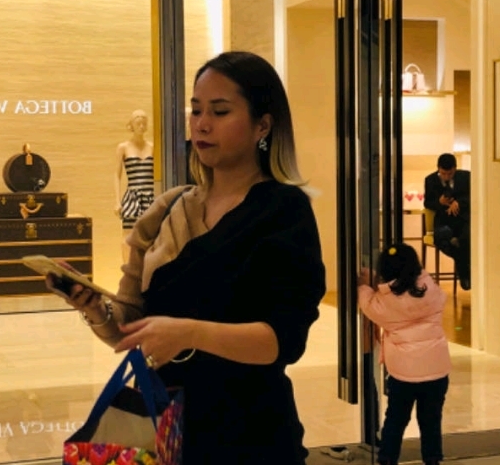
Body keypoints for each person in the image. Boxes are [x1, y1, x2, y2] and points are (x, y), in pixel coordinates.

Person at [52, 51, 326, 465]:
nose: (201, 124)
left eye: (219, 111)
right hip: (166, 431)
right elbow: (131, 327)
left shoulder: (283, 210)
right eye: (196, 110)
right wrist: (94, 308)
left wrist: (189, 333)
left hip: (251, 434)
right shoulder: (167, 210)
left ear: (262, 125)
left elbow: (282, 341)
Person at [358, 243, 450, 465]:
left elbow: (367, 303)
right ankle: (433, 459)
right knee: (431, 420)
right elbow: (438, 295)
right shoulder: (432, 290)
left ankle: (388, 459)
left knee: (396, 420)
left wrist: (363, 284)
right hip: (437, 370)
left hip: (403, 374)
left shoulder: (385, 303)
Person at [424, 153, 470, 290]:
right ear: (438, 169)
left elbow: (474, 196)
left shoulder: (466, 177)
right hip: (443, 221)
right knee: (443, 240)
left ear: (455, 169)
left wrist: (459, 203)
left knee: (467, 239)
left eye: (450, 174)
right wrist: (439, 202)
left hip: (462, 220)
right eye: (443, 173)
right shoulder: (430, 180)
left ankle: (464, 271)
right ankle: (465, 271)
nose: (446, 177)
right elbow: (428, 203)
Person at [113, 110, 155, 263]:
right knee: (128, 237)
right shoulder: (123, 148)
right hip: (132, 197)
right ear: (131, 125)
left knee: (151, 237)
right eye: (138, 122)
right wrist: (117, 201)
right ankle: (127, 274)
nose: (141, 125)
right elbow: (117, 175)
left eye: (144, 122)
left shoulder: (153, 147)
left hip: (151, 196)